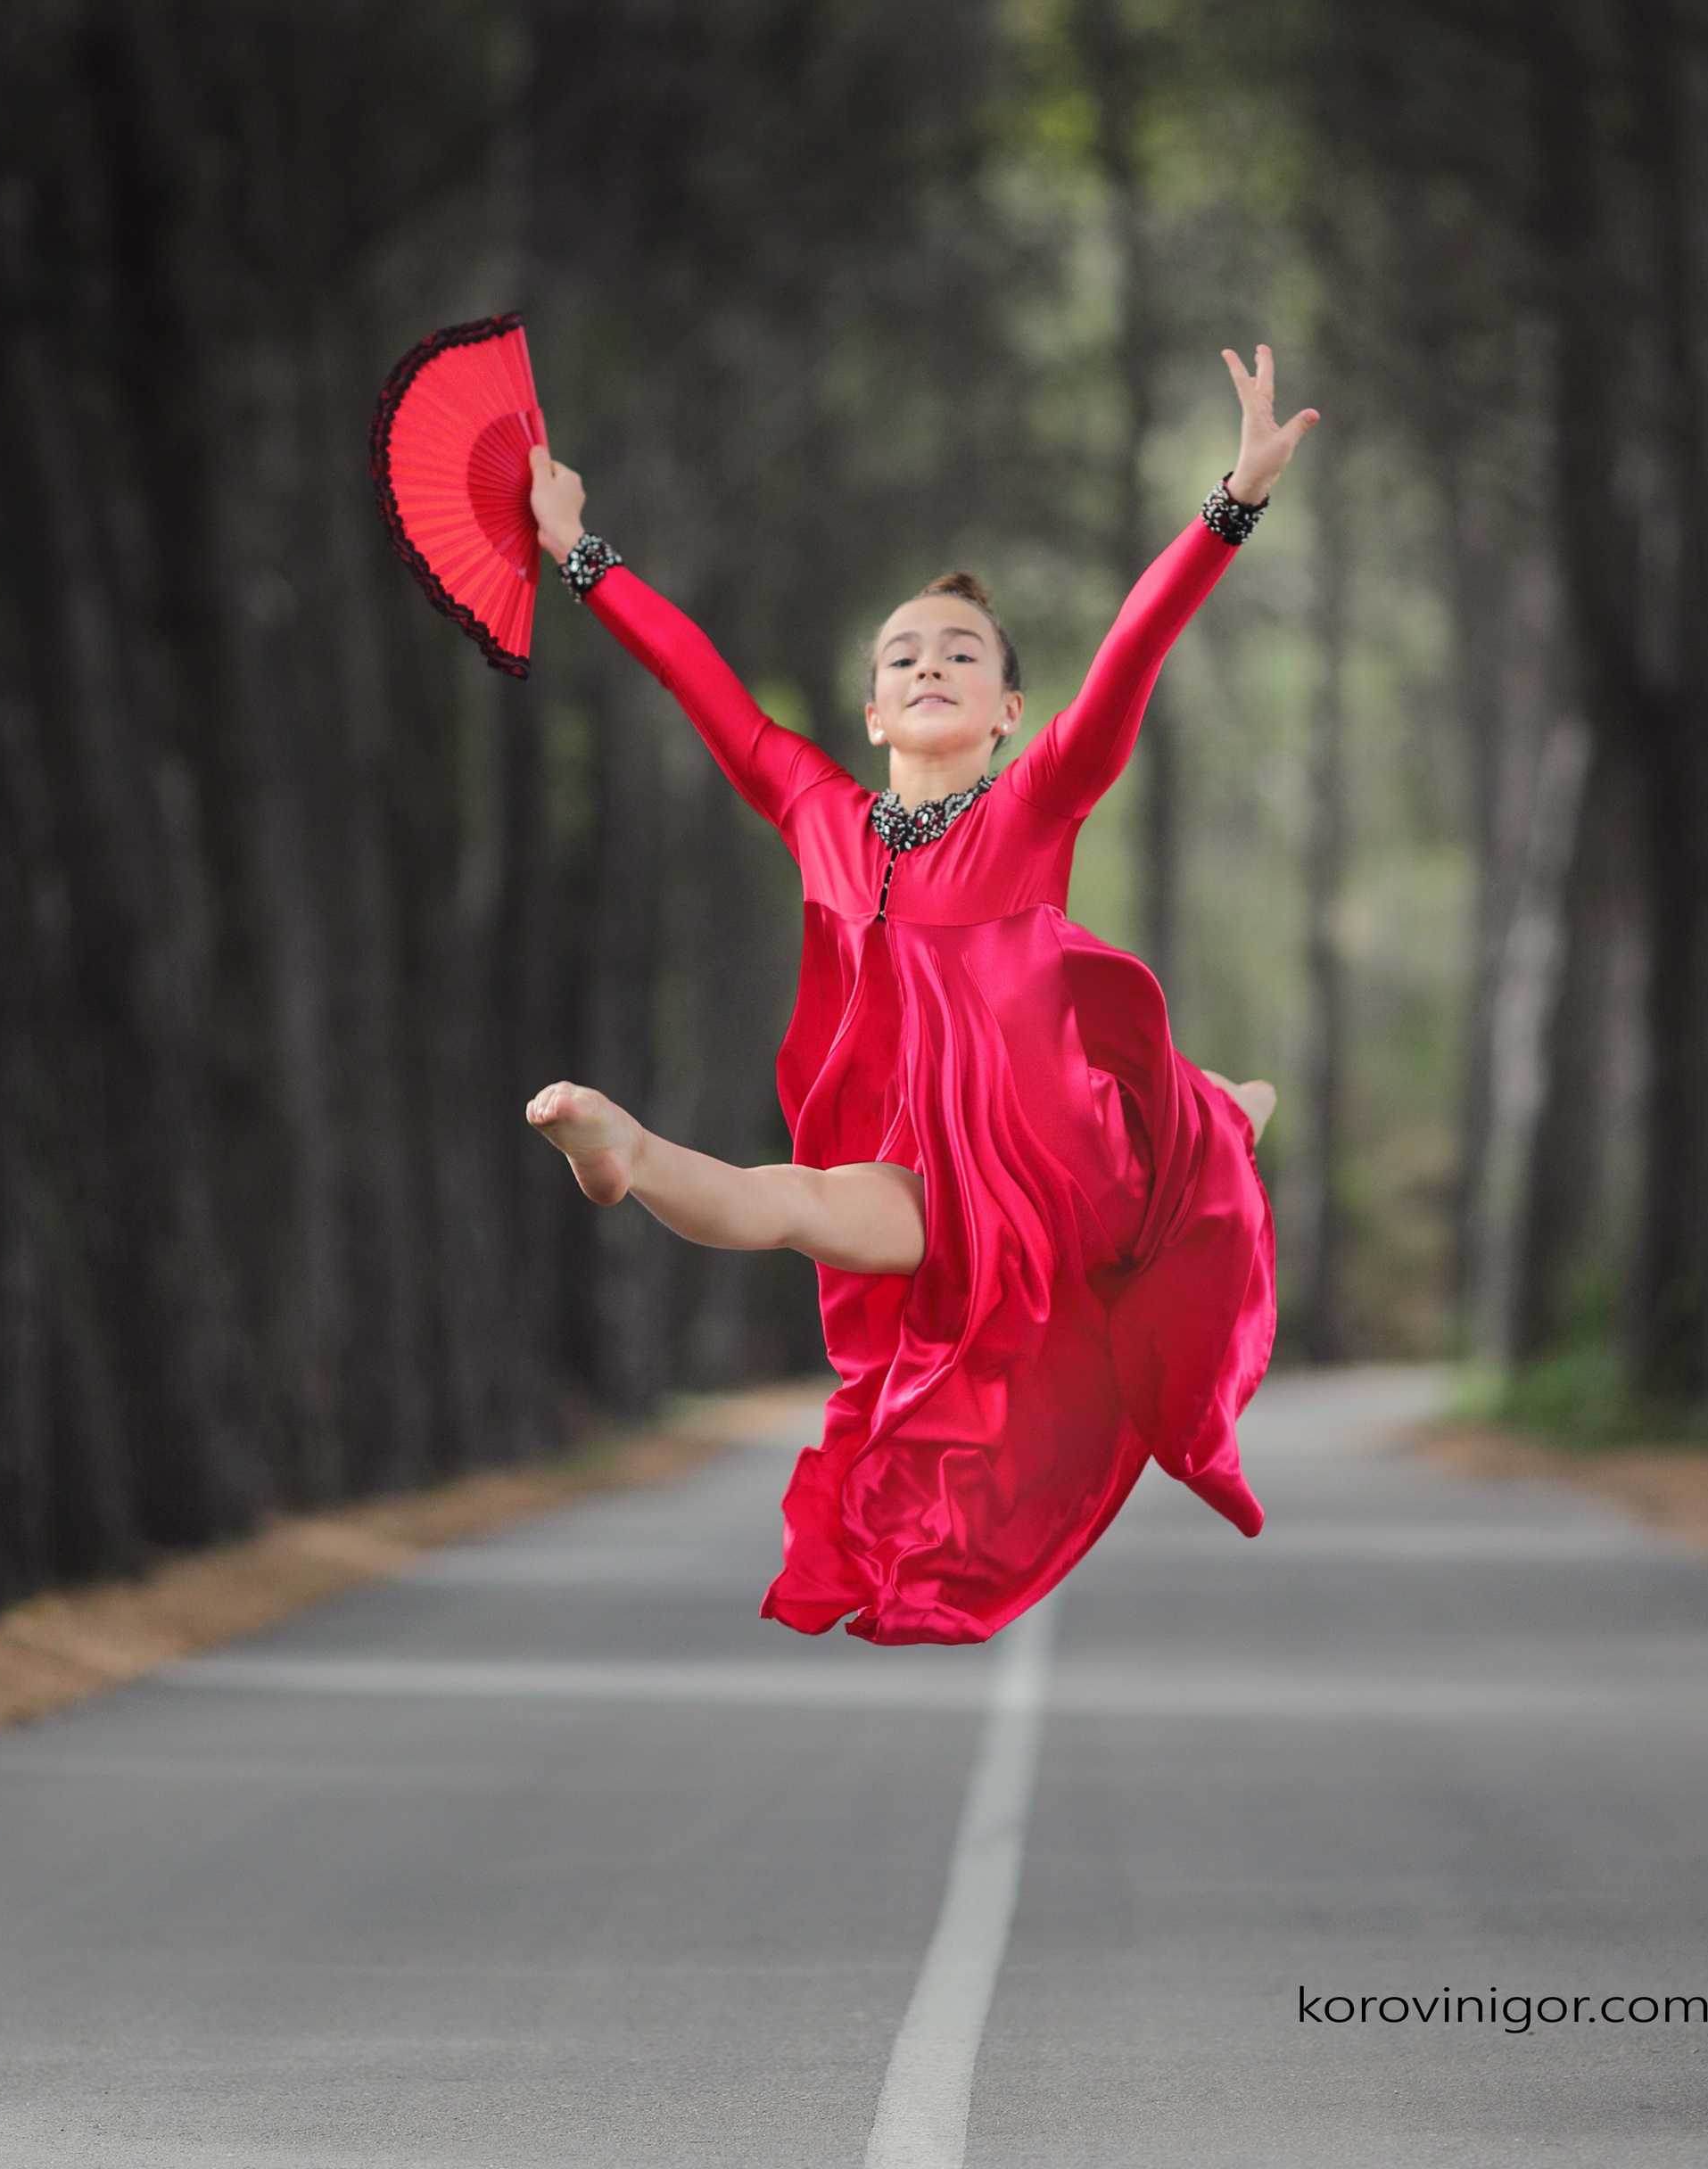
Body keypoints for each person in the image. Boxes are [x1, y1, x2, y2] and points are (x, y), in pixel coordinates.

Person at [524, 344, 1317, 1645]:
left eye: (962, 654)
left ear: (1010, 710)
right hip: (922, 1173)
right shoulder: (817, 811)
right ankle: (624, 1153)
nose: (929, 666)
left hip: (1057, 1168)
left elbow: (1134, 647)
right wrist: (577, 551)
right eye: (902, 658)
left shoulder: (1036, 802)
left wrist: (1234, 499)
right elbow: (698, 679)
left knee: (1207, 1129)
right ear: (873, 712)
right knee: (793, 1204)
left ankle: (1229, 1110)